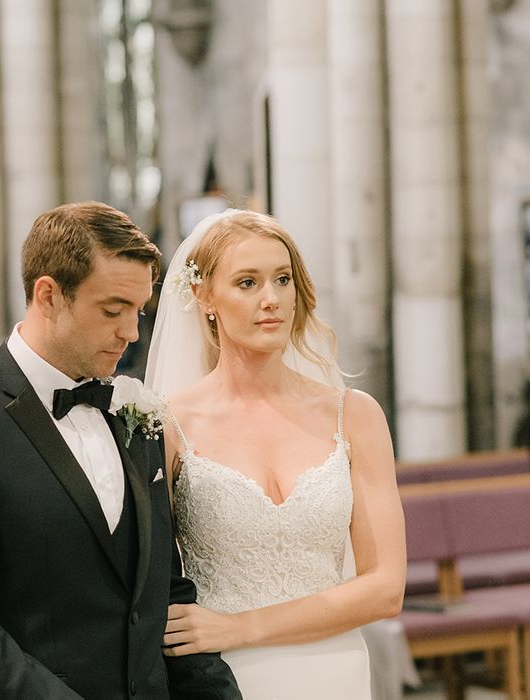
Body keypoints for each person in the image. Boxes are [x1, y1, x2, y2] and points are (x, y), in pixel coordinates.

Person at [0, 201, 241, 699]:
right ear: (49, 295)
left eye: (138, 310)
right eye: (113, 309)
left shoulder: (136, 416)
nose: (131, 332)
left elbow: (166, 599)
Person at [145, 209, 406, 699]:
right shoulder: (167, 426)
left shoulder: (355, 416)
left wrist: (242, 627)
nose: (272, 300)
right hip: (225, 678)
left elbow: (386, 587)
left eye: (282, 280)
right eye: (247, 282)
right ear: (204, 297)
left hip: (336, 669)